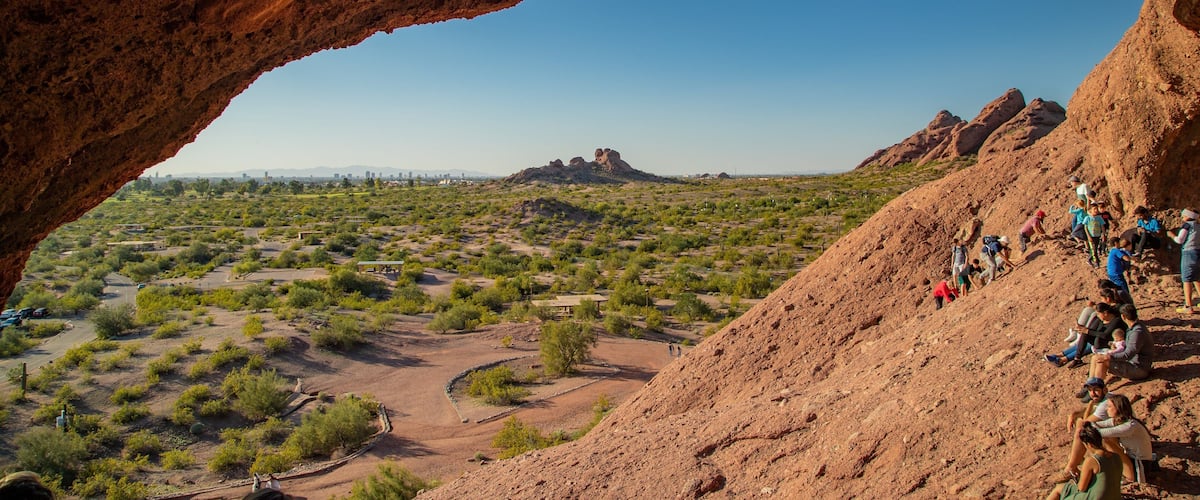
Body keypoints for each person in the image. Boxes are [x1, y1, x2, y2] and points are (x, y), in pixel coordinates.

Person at [1048, 422, 1122, 500]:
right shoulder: (1116, 457)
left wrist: (1078, 476)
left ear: (1089, 444)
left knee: (1058, 490)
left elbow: (1081, 488)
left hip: (1096, 497)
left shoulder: (1092, 461)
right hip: (1115, 497)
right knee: (1062, 488)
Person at [1094, 394, 1155, 483]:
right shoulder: (1117, 421)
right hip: (1130, 458)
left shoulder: (1130, 426)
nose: (1107, 409)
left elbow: (1101, 433)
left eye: (1110, 406)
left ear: (1118, 408)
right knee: (1107, 440)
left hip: (1140, 463)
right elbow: (1096, 424)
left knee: (1106, 441)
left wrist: (1085, 426)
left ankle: (1130, 478)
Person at [1086, 304, 1153, 383]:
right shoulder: (1135, 327)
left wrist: (1109, 356)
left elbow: (1128, 354)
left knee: (1101, 361)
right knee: (1095, 357)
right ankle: (1090, 385)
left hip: (1139, 369)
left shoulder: (1137, 332)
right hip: (1134, 364)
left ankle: (1097, 388)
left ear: (1123, 317)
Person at [1167, 208, 1199, 314]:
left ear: (1188, 216)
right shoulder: (1198, 225)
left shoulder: (1187, 226)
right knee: (1197, 277)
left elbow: (1180, 240)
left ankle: (1188, 306)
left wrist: (1171, 235)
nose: (1182, 217)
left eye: (1183, 215)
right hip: (1198, 252)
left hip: (1189, 253)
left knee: (1187, 279)